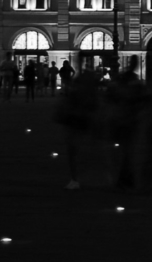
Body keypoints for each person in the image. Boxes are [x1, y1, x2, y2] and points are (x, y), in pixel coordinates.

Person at [55, 67, 104, 189]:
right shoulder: (87, 93)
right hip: (79, 123)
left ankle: (76, 179)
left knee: (75, 151)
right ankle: (79, 178)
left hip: (77, 123)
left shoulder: (79, 92)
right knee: (79, 151)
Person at [104, 58, 145, 190]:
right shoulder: (131, 79)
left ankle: (124, 179)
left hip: (124, 119)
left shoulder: (128, 79)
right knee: (125, 151)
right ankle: (126, 178)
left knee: (124, 151)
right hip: (124, 119)